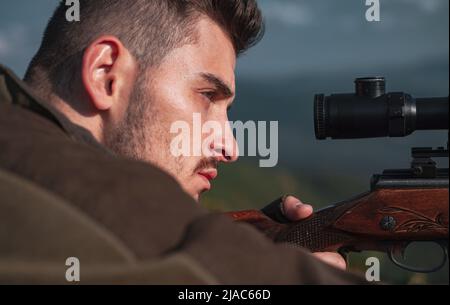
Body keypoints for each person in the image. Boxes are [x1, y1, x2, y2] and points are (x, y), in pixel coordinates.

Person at [0, 0, 363, 284]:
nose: (231, 148)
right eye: (206, 95)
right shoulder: (90, 193)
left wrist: (257, 243)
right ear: (106, 74)